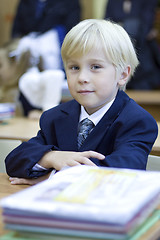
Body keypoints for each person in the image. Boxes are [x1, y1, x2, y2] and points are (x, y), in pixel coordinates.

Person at [5, 19, 158, 186]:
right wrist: (51, 157)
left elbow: (121, 172)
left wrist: (50, 177)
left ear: (122, 75)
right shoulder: (54, 117)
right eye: (74, 68)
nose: (82, 78)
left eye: (95, 67)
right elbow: (14, 161)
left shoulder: (137, 121)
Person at [105, 0, 160, 90]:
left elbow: (145, 26)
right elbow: (107, 24)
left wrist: (123, 26)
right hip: (118, 48)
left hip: (141, 50)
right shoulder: (112, 1)